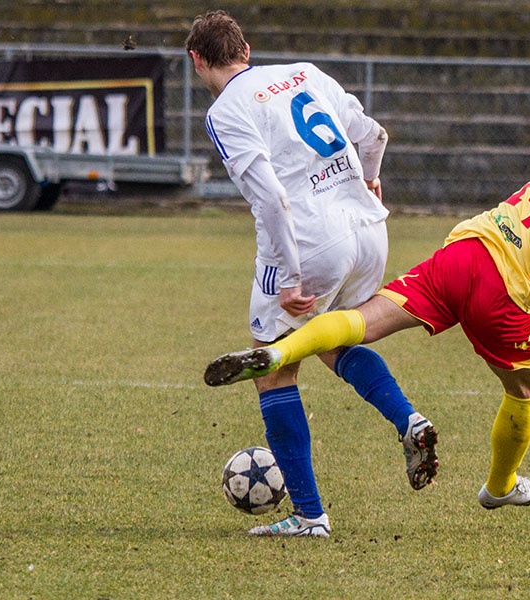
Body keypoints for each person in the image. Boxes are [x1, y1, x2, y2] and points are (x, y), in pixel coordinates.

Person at [206, 152, 530, 512]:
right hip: (501, 291)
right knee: (528, 388)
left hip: (464, 251)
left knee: (366, 321)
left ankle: (277, 352)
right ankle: (501, 488)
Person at [187, 10, 438, 538]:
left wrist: (292, 276)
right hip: (369, 231)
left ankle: (309, 515)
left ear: (197, 61)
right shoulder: (305, 71)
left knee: (274, 369)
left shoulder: (225, 110)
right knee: (327, 338)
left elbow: (273, 199)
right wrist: (371, 183)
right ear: (246, 49)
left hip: (312, 242)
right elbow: (374, 136)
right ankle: (408, 419)